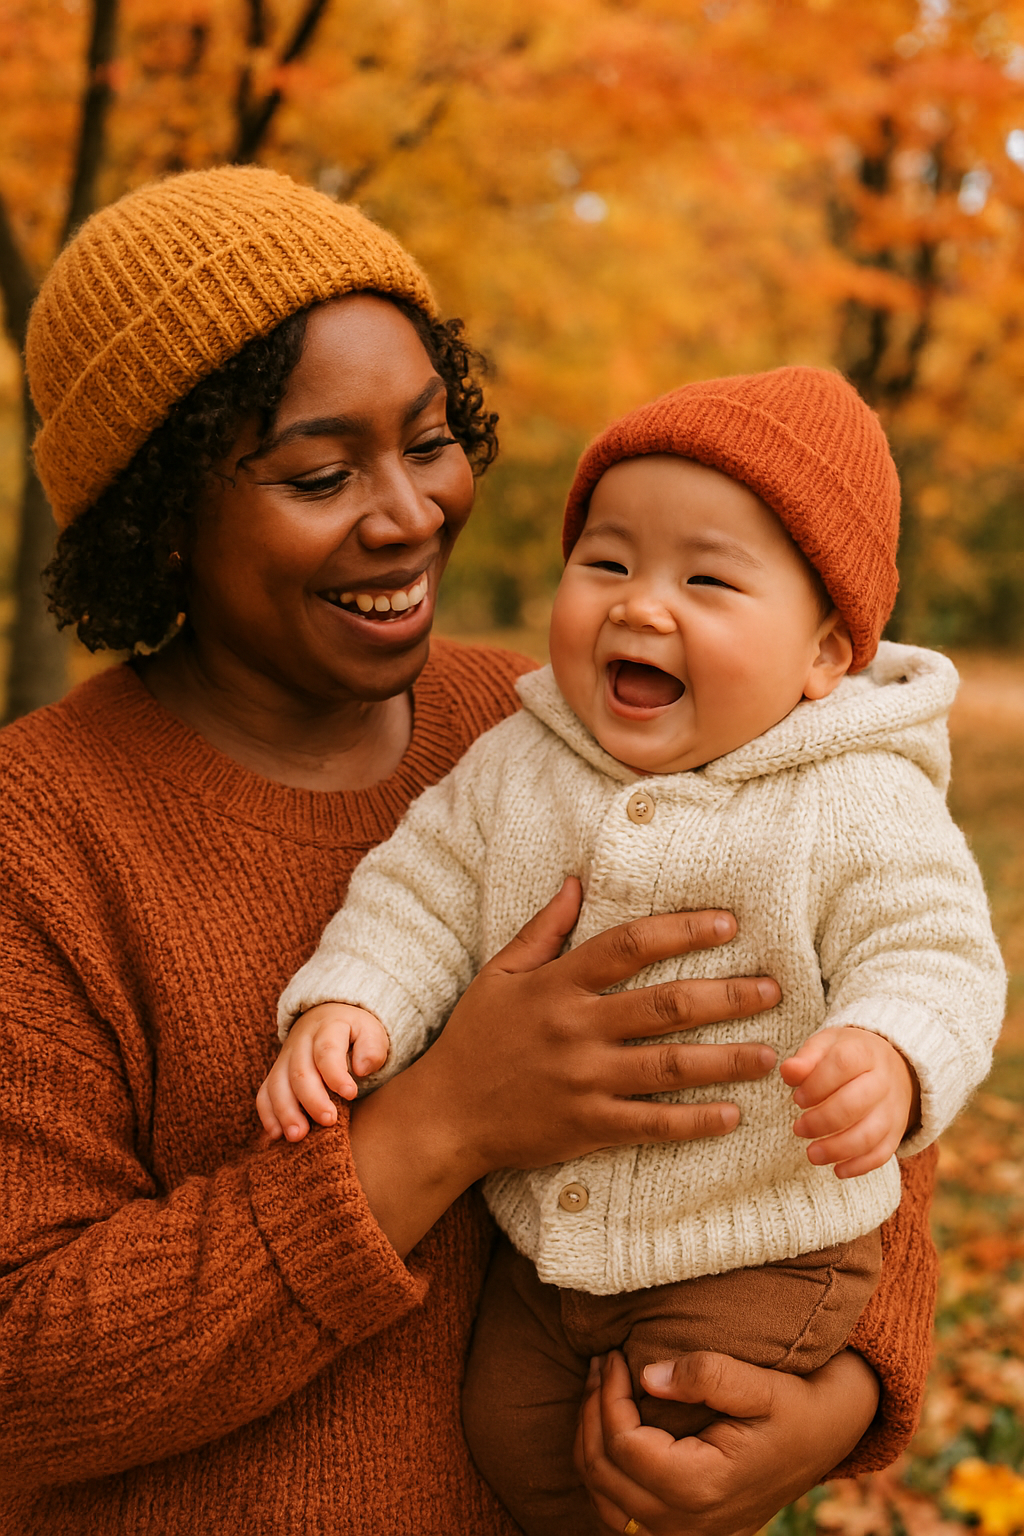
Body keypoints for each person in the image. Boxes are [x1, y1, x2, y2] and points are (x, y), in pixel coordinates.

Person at [0, 164, 937, 1536]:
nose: (410, 512)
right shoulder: (41, 837)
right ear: (159, 515)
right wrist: (441, 1124)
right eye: (321, 472)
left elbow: (843, 1049)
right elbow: (27, 1368)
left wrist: (841, 1393)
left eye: (430, 439)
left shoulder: (574, 733)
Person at [261, 368, 1005, 1534]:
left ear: (823, 658)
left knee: (669, 1450)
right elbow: (420, 888)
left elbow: (935, 949)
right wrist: (354, 1000)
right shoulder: (520, 760)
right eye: (605, 563)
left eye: (706, 580)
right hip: (547, 1256)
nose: (639, 606)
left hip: (758, 1249)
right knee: (512, 1438)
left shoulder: (852, 794)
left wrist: (892, 1053)